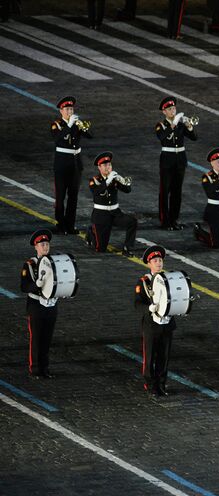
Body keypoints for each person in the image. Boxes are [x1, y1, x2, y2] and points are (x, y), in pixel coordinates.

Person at [135, 245, 175, 396]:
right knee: (150, 355)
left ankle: (162, 383)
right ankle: (150, 383)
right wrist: (148, 309)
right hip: (151, 325)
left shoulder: (168, 279)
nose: (159, 263)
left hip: (167, 324)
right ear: (149, 264)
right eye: (155, 261)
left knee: (164, 356)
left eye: (160, 260)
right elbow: (137, 304)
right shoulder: (143, 282)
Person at [20, 229, 59, 378]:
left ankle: (45, 368)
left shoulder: (54, 263)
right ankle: (35, 368)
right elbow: (23, 287)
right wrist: (36, 285)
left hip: (51, 305)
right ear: (35, 247)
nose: (45, 247)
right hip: (35, 306)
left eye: (47, 244)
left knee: (47, 338)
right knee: (36, 338)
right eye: (42, 244)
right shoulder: (30, 264)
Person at [51, 96, 92, 235]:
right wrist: (68, 126)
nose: (70, 111)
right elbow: (58, 140)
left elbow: (90, 136)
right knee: (60, 196)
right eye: (67, 109)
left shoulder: (76, 124)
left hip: (75, 164)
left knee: (73, 196)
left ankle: (70, 225)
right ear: (61, 111)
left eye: (71, 109)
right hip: (62, 165)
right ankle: (60, 225)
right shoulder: (56, 124)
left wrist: (82, 127)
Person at [155, 96, 197, 231]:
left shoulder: (181, 124)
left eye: (174, 108)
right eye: (169, 109)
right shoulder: (161, 125)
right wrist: (173, 126)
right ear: (164, 112)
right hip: (167, 160)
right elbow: (162, 138)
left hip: (180, 160)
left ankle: (174, 219)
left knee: (177, 191)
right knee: (165, 191)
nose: (173, 111)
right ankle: (164, 221)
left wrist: (189, 126)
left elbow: (194, 138)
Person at [85, 152, 137, 257]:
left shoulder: (114, 179)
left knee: (132, 222)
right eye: (105, 165)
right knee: (100, 249)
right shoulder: (94, 180)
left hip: (115, 213)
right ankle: (91, 232)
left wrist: (120, 179)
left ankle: (128, 247)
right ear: (99, 167)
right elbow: (97, 192)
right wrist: (108, 181)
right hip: (101, 215)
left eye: (109, 165)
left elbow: (128, 190)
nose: (108, 168)